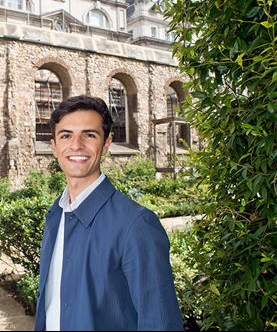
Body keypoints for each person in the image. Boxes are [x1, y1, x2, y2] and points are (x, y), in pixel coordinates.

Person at [34, 95, 183, 331]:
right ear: (53, 147)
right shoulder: (55, 216)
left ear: (106, 144)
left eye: (89, 135)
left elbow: (161, 323)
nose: (76, 145)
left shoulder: (137, 225)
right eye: (66, 135)